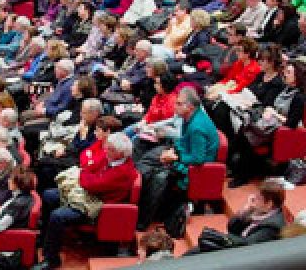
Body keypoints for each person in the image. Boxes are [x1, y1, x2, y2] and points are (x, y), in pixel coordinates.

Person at [35, 133, 138, 270]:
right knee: (48, 195)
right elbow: (87, 164)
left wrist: (85, 174)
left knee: (57, 216)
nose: (105, 150)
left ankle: (51, 258)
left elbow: (91, 184)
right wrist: (87, 173)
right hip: (88, 195)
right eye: (107, 147)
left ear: (121, 153)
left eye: (110, 149)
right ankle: (45, 239)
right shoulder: (110, 158)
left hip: (98, 207)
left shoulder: (123, 172)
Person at [136, 87, 219, 236]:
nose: (175, 106)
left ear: (190, 107)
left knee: (159, 178)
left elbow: (198, 159)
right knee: (148, 157)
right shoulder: (188, 118)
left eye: (179, 103)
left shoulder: (196, 127)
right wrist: (174, 151)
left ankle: (142, 221)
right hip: (182, 154)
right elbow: (184, 143)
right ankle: (137, 193)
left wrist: (174, 157)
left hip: (195, 170)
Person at [185, 181, 286, 253]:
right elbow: (232, 227)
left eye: (259, 197)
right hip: (234, 243)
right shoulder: (260, 211)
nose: (254, 198)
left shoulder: (272, 227)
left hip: (239, 253)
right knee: (194, 251)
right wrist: (246, 209)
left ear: (269, 204)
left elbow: (247, 247)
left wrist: (223, 239)